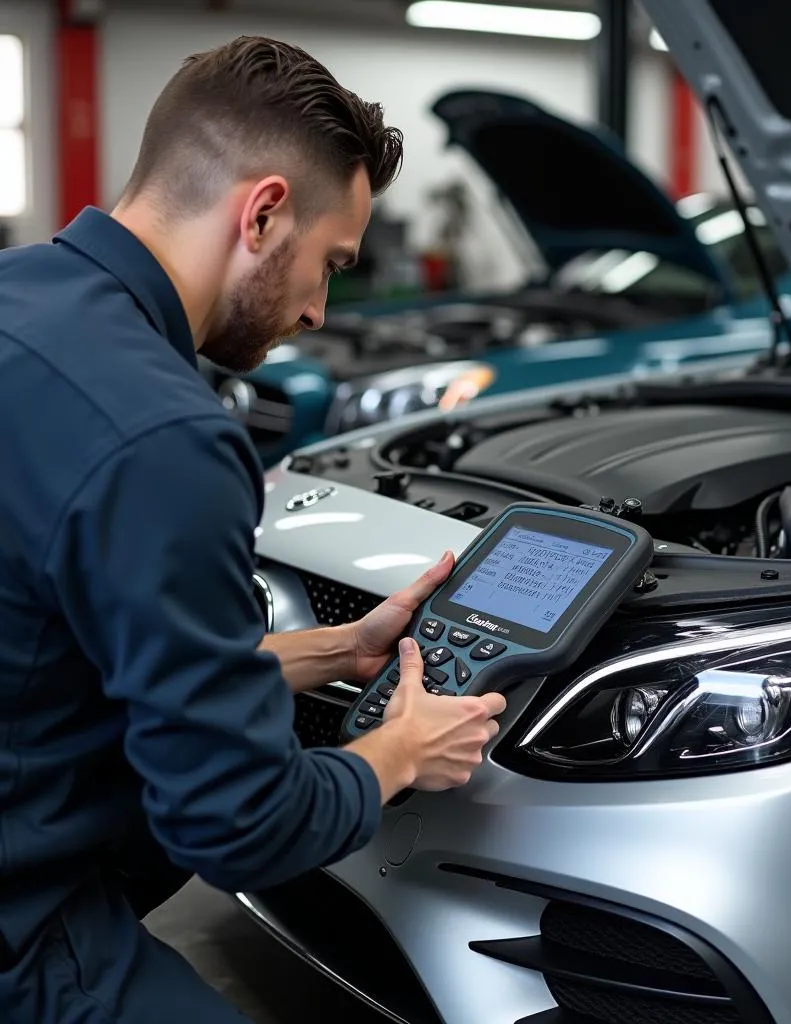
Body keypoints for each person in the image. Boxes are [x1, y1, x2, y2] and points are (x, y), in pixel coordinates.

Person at [0, 35, 506, 1024]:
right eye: (330, 264)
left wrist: (331, 650)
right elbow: (233, 824)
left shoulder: (21, 299)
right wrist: (398, 753)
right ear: (263, 212)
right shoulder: (166, 437)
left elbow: (69, 637)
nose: (319, 310)